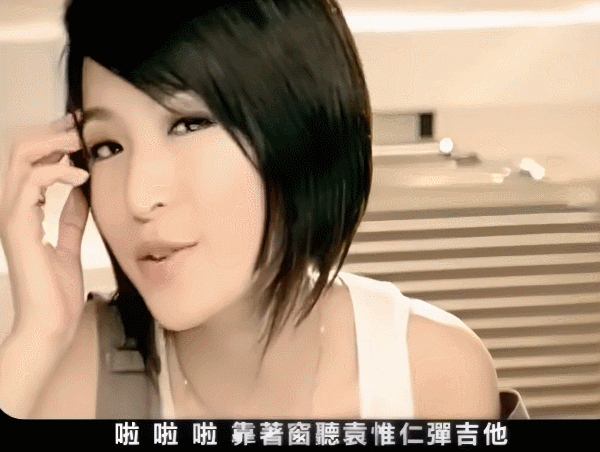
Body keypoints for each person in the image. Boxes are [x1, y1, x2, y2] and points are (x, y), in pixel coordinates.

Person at [0, 0, 527, 419]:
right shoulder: (71, 372)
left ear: (298, 127)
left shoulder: (430, 376)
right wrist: (36, 336)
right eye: (107, 146)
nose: (138, 197)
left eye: (189, 124)